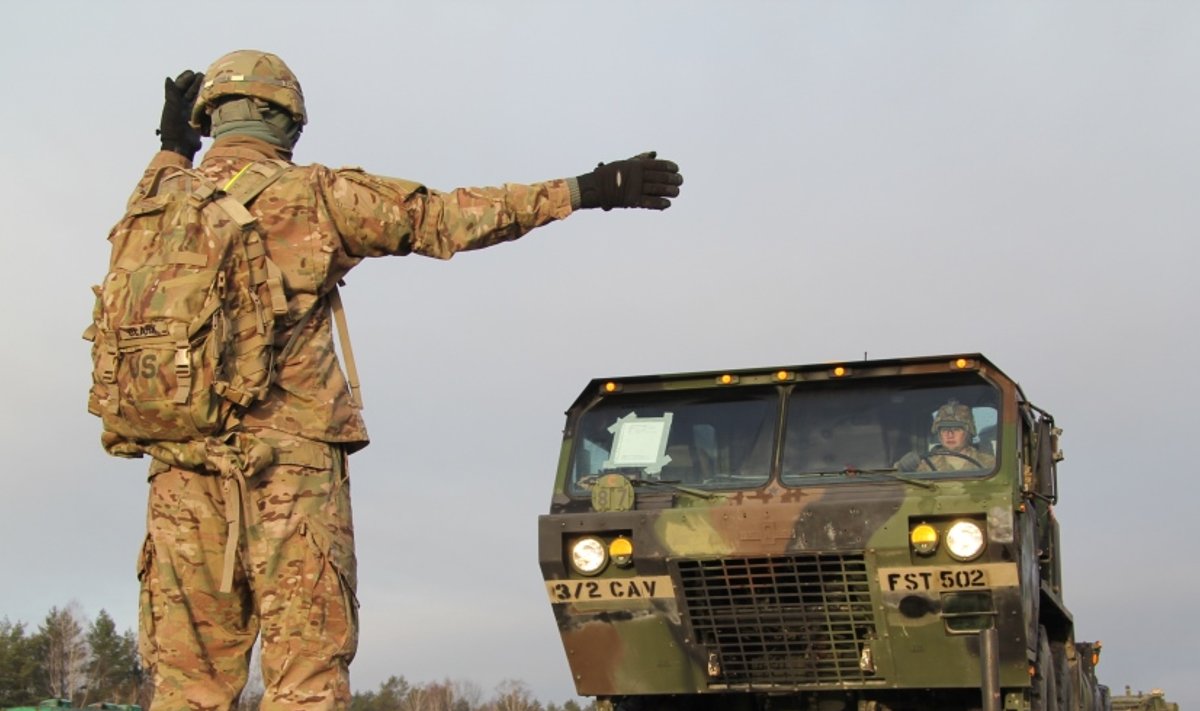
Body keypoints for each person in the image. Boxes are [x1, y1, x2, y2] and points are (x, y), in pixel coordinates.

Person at [130, 50, 682, 711]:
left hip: (180, 470)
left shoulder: (155, 200)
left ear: (209, 119)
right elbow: (443, 218)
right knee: (305, 678)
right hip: (288, 468)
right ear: (288, 120)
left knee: (186, 686)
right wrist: (585, 189)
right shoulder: (313, 196)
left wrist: (171, 147)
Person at [896, 400, 995, 473]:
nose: (950, 435)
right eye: (944, 430)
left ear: (968, 432)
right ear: (939, 434)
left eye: (956, 429)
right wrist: (903, 466)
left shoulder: (989, 464)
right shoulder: (925, 464)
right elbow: (893, 477)